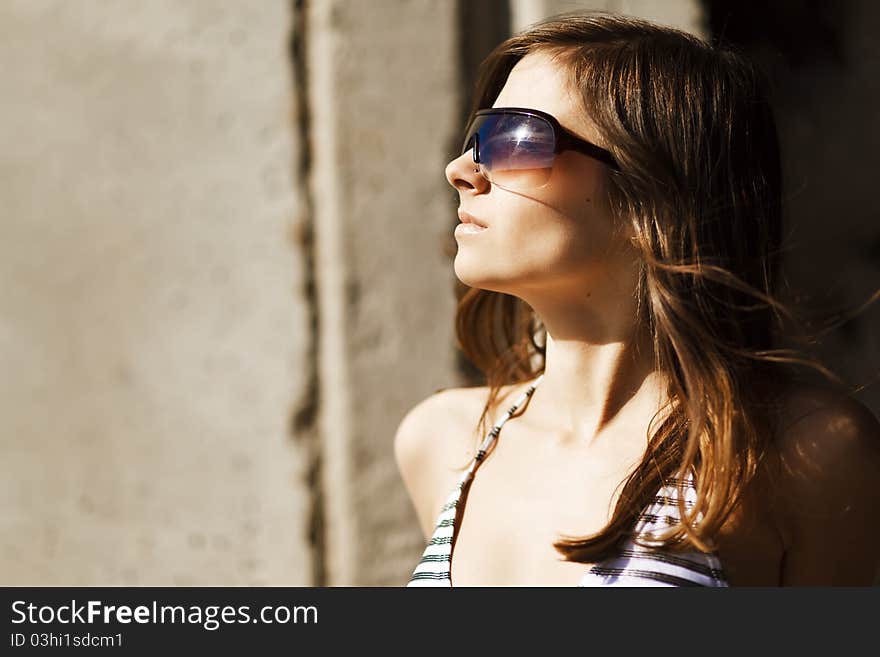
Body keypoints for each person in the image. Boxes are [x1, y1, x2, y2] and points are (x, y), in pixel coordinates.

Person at [394, 12, 880, 586]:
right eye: (477, 139)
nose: (460, 171)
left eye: (514, 138)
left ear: (651, 193)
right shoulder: (442, 441)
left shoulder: (800, 455)